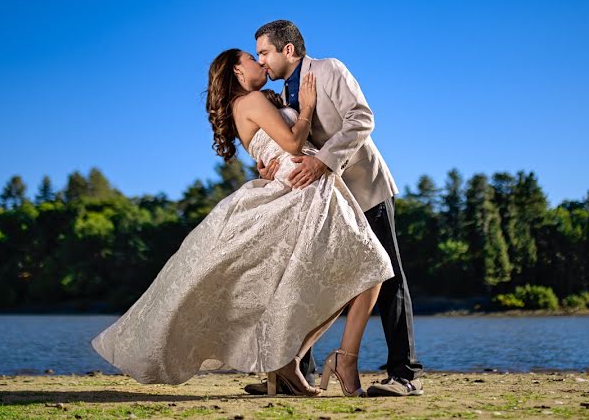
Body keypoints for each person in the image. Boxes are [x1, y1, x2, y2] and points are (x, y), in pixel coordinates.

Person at [91, 48, 393, 397]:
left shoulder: (253, 103)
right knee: (371, 269)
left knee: (357, 273)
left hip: (305, 184)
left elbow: (275, 146)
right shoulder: (249, 101)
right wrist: (307, 107)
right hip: (305, 187)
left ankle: (292, 362)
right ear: (236, 71)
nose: (260, 62)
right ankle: (337, 360)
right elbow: (294, 141)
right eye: (253, 57)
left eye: (262, 54)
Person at [247, 19, 425, 397]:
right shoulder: (279, 94)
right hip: (322, 202)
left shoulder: (329, 69)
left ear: (288, 50)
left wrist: (324, 162)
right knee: (309, 280)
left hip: (363, 189)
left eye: (264, 52)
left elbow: (362, 119)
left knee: (388, 277)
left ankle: (405, 375)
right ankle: (297, 374)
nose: (261, 61)